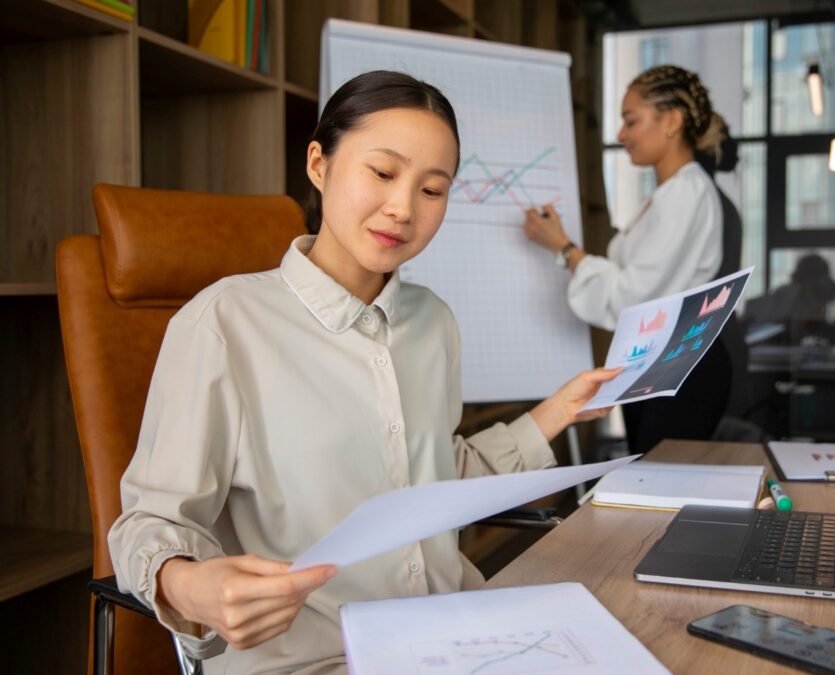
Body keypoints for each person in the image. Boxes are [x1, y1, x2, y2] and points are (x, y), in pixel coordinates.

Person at [108, 70, 618, 674]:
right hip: (316, 658)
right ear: (319, 165)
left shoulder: (432, 322)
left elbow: (429, 477)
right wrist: (193, 589)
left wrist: (558, 412)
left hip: (456, 635)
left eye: (433, 190)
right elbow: (148, 522)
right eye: (382, 173)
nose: (403, 208)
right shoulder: (223, 323)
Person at [522, 64, 741, 454]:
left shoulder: (687, 193)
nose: (622, 135)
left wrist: (565, 249)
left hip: (684, 367)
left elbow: (633, 295)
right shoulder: (670, 193)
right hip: (663, 363)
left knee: (658, 487)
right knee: (651, 481)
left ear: (671, 121)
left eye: (630, 120)